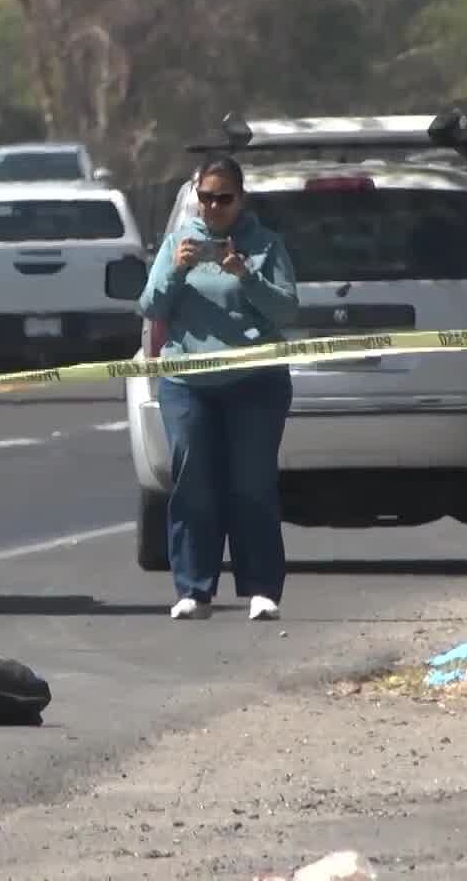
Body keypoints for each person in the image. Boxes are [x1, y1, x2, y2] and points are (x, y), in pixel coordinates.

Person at [137, 155, 299, 621]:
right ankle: (193, 588)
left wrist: (244, 275)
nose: (212, 207)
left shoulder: (264, 246)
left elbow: (286, 310)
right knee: (194, 483)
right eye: (205, 197)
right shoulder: (178, 243)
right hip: (188, 382)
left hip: (255, 382)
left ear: (240, 199)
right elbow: (150, 305)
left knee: (251, 483)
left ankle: (262, 589)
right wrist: (177, 270)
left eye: (223, 198)